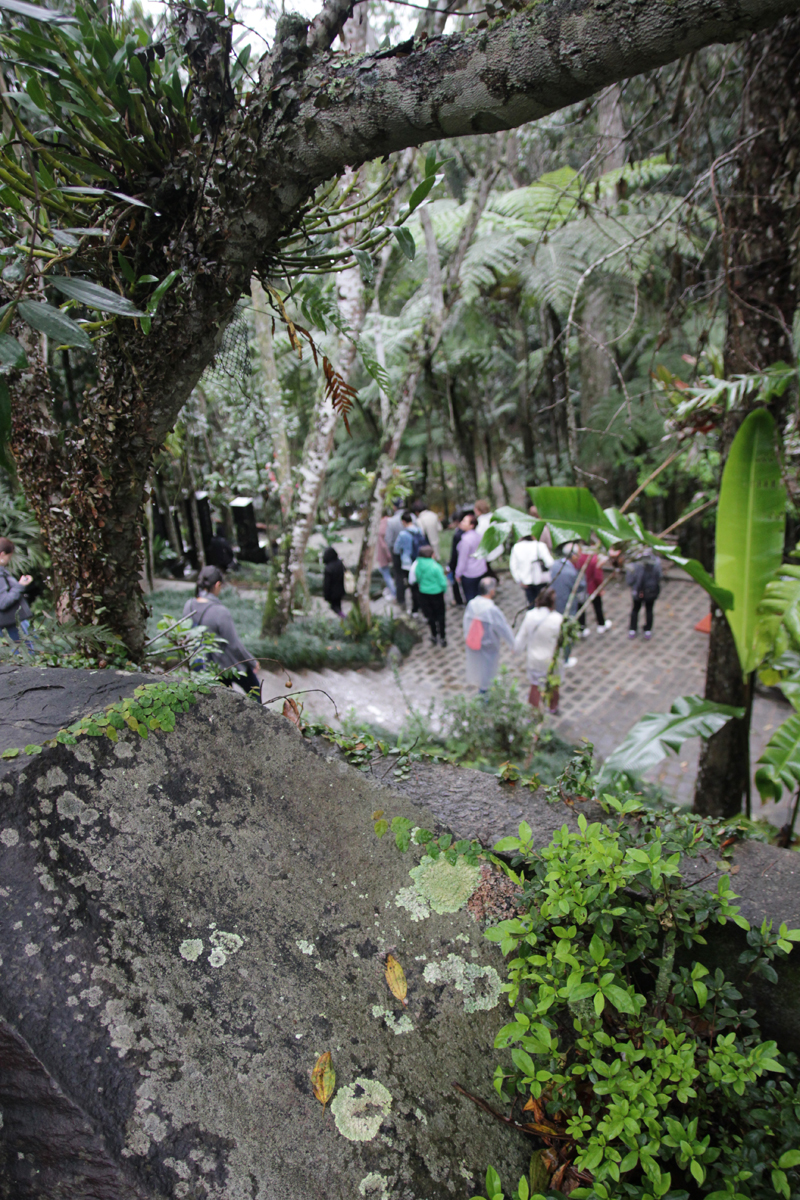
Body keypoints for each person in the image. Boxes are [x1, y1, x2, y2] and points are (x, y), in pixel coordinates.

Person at [182, 566, 261, 696]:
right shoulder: (220, 611)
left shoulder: (189, 605)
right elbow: (234, 645)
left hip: (201, 665)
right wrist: (252, 662)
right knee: (255, 689)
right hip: (225, 665)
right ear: (218, 584)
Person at [514, 587, 563, 714]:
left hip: (534, 658)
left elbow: (521, 637)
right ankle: (553, 707)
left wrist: (516, 650)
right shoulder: (558, 619)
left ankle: (533, 711)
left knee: (535, 685)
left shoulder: (530, 616)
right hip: (551, 659)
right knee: (554, 684)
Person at [463, 577, 515, 693]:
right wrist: (512, 644)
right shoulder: (492, 609)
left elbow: (466, 623)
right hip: (489, 645)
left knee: (478, 668)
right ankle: (485, 694)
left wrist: (467, 637)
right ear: (491, 591)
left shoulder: (471, 604)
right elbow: (503, 628)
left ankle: (482, 688)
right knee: (489, 670)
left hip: (475, 643)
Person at [550, 545, 586, 667]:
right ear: (573, 556)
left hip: (554, 604)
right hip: (567, 606)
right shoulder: (571, 573)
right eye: (578, 554)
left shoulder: (555, 565)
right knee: (567, 632)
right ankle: (565, 659)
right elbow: (581, 586)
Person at [0, 537, 33, 646]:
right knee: (27, 654)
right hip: (10, 623)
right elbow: (3, 602)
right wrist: (20, 586)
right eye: (9, 557)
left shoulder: (2, 571)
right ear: (2, 554)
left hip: (12, 622)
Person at [412, 545, 448, 646]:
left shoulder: (418, 565)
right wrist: (443, 590)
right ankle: (443, 637)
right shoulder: (435, 567)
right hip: (437, 594)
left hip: (424, 593)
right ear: (432, 555)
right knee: (441, 616)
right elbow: (443, 582)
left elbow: (418, 578)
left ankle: (433, 635)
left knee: (430, 616)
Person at [509, 533, 553, 608]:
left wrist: (519, 580)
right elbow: (550, 563)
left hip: (526, 581)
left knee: (531, 602)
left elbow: (513, 566)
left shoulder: (516, 547)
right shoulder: (540, 546)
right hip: (540, 579)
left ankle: (532, 616)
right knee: (543, 602)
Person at [574, 545, 611, 633]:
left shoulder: (579, 557)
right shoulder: (594, 559)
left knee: (581, 607)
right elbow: (597, 576)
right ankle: (601, 625)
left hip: (581, 588)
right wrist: (600, 587)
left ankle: (581, 628)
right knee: (597, 606)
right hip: (593, 588)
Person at [627, 550, 662, 639]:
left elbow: (630, 580)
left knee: (635, 610)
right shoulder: (656, 563)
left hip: (639, 592)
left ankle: (633, 629)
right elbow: (659, 577)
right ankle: (647, 630)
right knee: (648, 610)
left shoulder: (636, 564)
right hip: (650, 592)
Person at [395, 512, 425, 615]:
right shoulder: (419, 530)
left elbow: (396, 549)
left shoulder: (402, 534)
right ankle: (422, 606)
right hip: (419, 561)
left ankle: (415, 609)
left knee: (412, 587)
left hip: (408, 564)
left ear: (403, 522)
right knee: (420, 585)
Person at [455, 512, 488, 603]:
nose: (462, 523)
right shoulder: (479, 536)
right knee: (480, 594)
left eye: (465, 521)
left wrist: (458, 573)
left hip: (470, 573)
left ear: (471, 525)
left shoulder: (466, 540)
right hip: (480, 569)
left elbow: (462, 559)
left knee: (470, 597)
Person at [448, 508, 473, 607]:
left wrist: (451, 565)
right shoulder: (471, 533)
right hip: (469, 564)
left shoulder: (459, 535)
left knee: (457, 583)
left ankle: (459, 600)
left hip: (461, 564)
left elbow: (455, 553)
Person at [384, 500, 406, 608]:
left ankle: (401, 599)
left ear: (394, 507)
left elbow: (388, 540)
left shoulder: (391, 521)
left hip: (397, 553)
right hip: (410, 552)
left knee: (399, 576)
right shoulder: (412, 517)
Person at [473, 498, 504, 576]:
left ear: (478, 510)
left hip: (489, 550)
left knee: (488, 570)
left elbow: (479, 538)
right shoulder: (492, 518)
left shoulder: (482, 523)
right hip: (496, 547)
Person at [322, 546, 347, 618]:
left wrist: (326, 595)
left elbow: (327, 584)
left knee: (334, 607)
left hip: (332, 593)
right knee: (338, 606)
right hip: (341, 589)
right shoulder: (340, 563)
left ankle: (344, 617)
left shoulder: (328, 568)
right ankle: (342, 619)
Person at [376, 511, 396, 598]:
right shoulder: (392, 523)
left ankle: (394, 593)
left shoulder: (380, 527)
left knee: (386, 574)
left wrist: (388, 555)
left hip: (384, 555)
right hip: (394, 552)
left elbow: (383, 545)